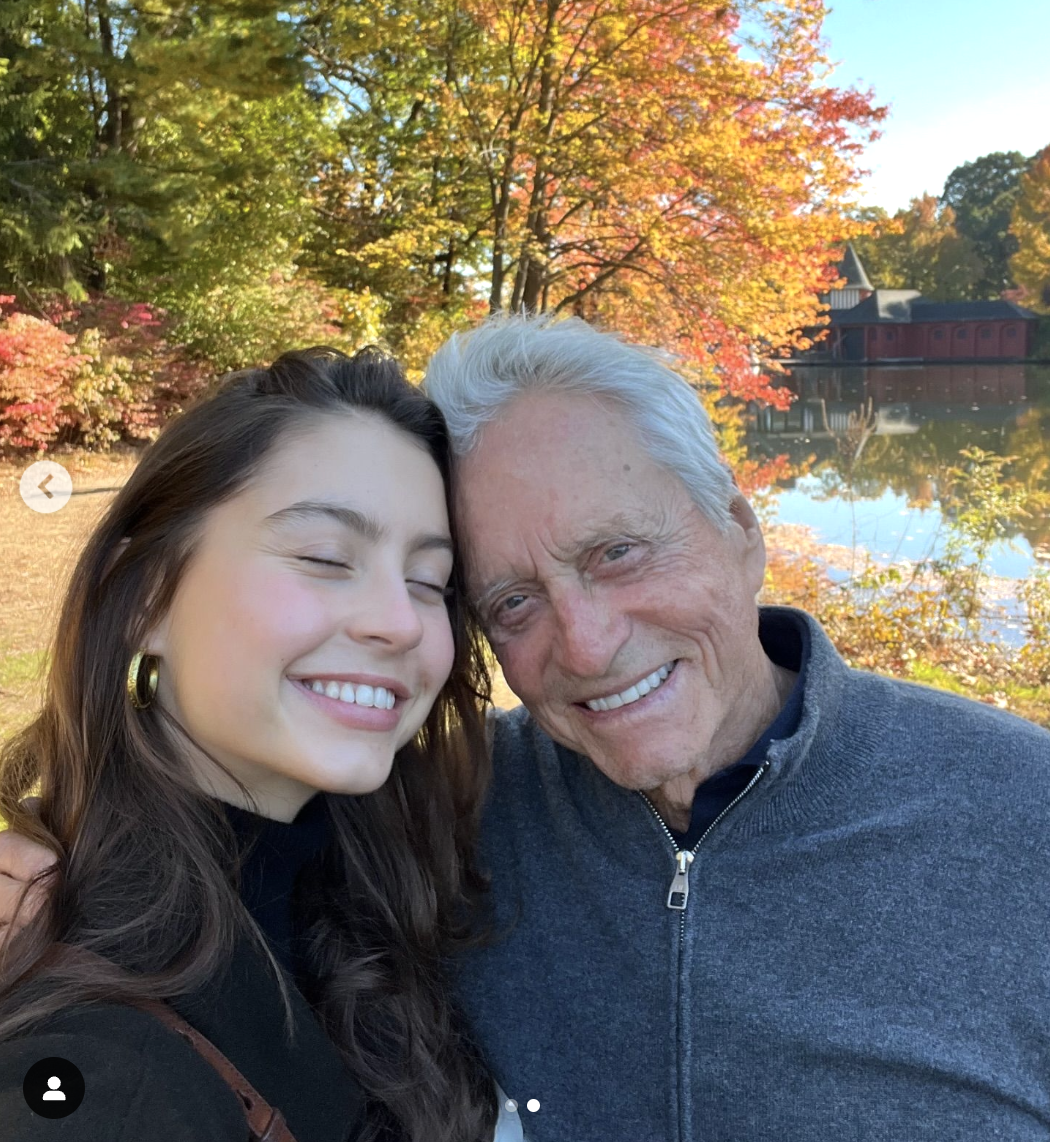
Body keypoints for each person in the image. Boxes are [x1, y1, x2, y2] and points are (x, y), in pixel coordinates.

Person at [5, 316, 1050, 1140]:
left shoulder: (1021, 818)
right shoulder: (446, 812)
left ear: (739, 531)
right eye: (507, 600)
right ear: (143, 593)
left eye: (619, 552)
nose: (587, 645)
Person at [0, 346, 514, 1142]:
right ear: (145, 597)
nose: (401, 621)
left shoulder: (389, 881)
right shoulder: (83, 1041)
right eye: (324, 557)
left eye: (431, 582)